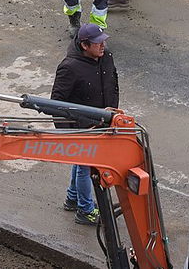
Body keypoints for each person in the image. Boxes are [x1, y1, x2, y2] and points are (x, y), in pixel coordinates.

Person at [51, 23, 119, 226]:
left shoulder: (106, 57)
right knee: (85, 166)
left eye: (103, 41)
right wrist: (70, 132)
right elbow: (56, 103)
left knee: (82, 163)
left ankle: (73, 198)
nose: (103, 45)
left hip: (102, 122)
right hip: (82, 127)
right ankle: (85, 210)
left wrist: (112, 112)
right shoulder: (69, 68)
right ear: (84, 45)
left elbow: (113, 83)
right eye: (98, 43)